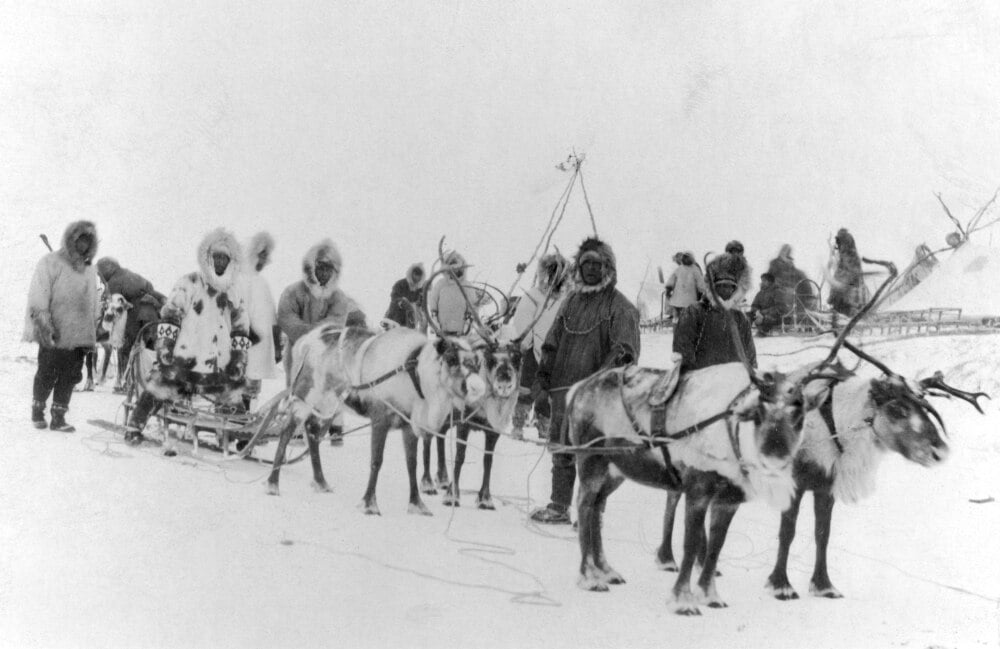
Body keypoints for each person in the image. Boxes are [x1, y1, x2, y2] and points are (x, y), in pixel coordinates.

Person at [530, 237, 641, 525]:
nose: (591, 269)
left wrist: (598, 385)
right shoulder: (570, 303)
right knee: (562, 450)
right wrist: (542, 381)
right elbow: (551, 344)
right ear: (578, 267)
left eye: (597, 264)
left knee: (594, 456)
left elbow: (624, 353)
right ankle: (558, 506)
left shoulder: (621, 307)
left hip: (598, 397)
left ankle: (591, 511)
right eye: (586, 263)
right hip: (561, 392)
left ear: (609, 268)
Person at [123, 228, 251, 446]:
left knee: (232, 394)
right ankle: (135, 425)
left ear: (231, 262)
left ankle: (241, 435)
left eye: (224, 258)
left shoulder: (234, 290)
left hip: (217, 361)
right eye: (216, 257)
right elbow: (170, 315)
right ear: (208, 258)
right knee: (160, 384)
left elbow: (241, 327)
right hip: (185, 357)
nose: (220, 262)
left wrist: (239, 359)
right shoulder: (190, 283)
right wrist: (165, 350)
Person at [277, 239, 366, 445]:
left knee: (330, 388)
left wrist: (316, 335)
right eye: (320, 268)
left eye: (328, 269)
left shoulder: (338, 297)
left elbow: (335, 322)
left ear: (334, 272)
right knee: (297, 387)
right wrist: (308, 335)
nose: (323, 273)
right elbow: (286, 318)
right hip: (296, 348)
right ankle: (297, 429)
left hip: (326, 350)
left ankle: (335, 427)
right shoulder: (293, 292)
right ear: (311, 268)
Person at [25, 221, 101, 432]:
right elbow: (39, 295)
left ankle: (58, 417)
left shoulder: (89, 270)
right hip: (54, 332)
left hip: (78, 334)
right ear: (71, 239)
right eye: (80, 240)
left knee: (70, 375)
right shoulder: (50, 262)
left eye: (88, 241)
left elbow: (92, 302)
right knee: (47, 372)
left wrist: (92, 330)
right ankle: (37, 410)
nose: (84, 245)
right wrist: (44, 324)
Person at [507, 252, 569, 439]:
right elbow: (522, 323)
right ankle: (518, 423)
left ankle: (543, 423)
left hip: (555, 353)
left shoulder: (565, 299)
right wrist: (525, 344)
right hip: (533, 351)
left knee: (547, 391)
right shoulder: (532, 297)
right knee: (527, 388)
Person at [673, 252, 756, 373]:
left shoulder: (740, 318)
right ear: (713, 287)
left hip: (733, 380)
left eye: (730, 286)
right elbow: (683, 348)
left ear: (735, 289)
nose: (726, 290)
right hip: (701, 379)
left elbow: (750, 354)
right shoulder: (694, 312)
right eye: (721, 286)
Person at [95, 256, 167, 392]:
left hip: (134, 316)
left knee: (127, 348)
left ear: (108, 268)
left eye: (100, 273)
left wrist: (106, 326)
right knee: (149, 349)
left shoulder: (114, 282)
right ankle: (147, 382)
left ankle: (127, 383)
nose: (101, 277)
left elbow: (113, 308)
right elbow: (153, 292)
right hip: (151, 316)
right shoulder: (132, 276)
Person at [240, 231, 281, 413]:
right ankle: (235, 420)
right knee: (238, 381)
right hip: (244, 340)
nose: (264, 261)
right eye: (261, 255)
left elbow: (272, 316)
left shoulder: (262, 282)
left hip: (261, 345)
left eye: (266, 256)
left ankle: (247, 419)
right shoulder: (239, 279)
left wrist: (277, 345)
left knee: (254, 383)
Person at [426, 250, 486, 336]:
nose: (454, 271)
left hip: (460, 331)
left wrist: (468, 323)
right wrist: (434, 320)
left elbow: (473, 307)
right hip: (442, 330)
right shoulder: (440, 284)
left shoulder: (467, 286)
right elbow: (433, 303)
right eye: (452, 268)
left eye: (456, 268)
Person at [767, 244, 816, 316]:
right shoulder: (774, 266)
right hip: (780, 298)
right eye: (783, 252)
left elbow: (806, 286)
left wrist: (810, 298)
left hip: (792, 300)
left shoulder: (798, 273)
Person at [828, 228, 864, 317]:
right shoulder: (848, 255)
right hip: (845, 297)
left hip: (848, 297)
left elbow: (850, 275)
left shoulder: (849, 256)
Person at [664, 251, 706, 322]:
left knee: (677, 319)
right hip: (690, 301)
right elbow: (701, 284)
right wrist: (703, 292)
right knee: (690, 319)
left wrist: (668, 290)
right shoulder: (695, 269)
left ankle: (676, 327)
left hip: (677, 301)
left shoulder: (679, 269)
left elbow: (671, 281)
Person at [383, 263, 426, 328]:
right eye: (416, 274)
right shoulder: (400, 284)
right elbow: (394, 298)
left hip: (411, 318)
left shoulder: (419, 288)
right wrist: (403, 302)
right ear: (412, 274)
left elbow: (420, 303)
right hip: (397, 315)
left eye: (420, 275)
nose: (418, 278)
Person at [748, 272, 790, 337]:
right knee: (746, 316)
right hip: (761, 315)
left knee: (767, 319)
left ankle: (763, 332)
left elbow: (780, 307)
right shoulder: (760, 293)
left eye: (764, 281)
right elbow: (754, 305)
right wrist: (756, 312)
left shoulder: (777, 292)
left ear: (770, 282)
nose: (762, 282)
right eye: (762, 281)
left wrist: (763, 312)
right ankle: (745, 334)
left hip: (777, 317)